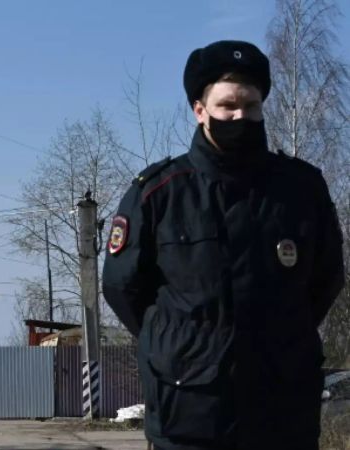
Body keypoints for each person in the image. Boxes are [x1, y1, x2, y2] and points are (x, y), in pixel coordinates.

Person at [102, 40, 345, 450]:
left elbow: (326, 278)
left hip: (282, 411)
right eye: (227, 106)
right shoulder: (160, 193)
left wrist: (281, 331)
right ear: (200, 111)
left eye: (251, 106)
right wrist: (177, 343)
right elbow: (122, 286)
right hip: (190, 413)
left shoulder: (301, 189)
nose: (240, 116)